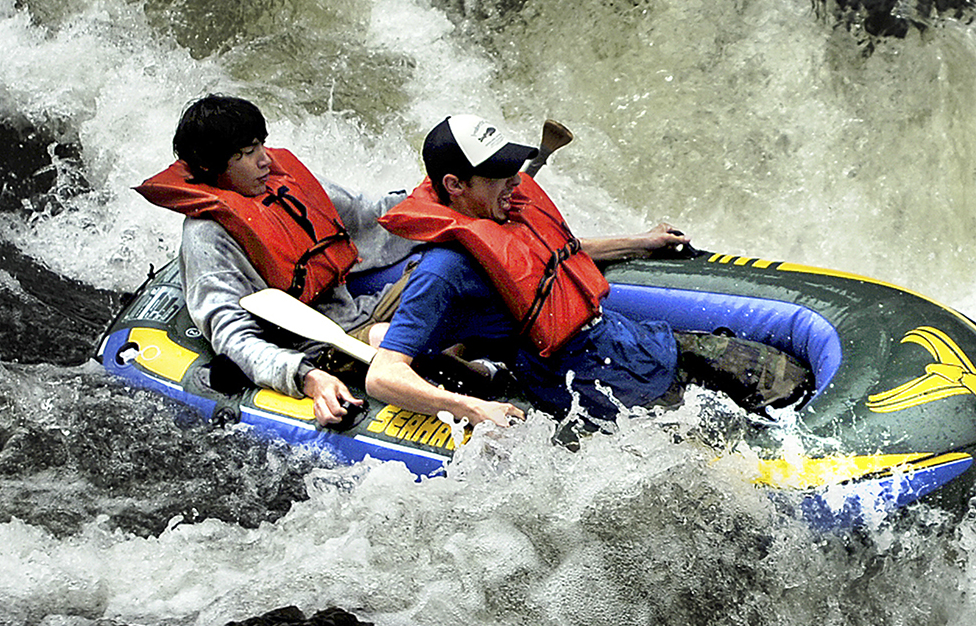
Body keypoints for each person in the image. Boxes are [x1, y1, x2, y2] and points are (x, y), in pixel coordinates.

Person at [364, 114, 811, 429]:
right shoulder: (441, 272)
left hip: (638, 348)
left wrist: (643, 241)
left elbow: (556, 256)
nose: (516, 182)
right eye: (499, 173)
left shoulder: (499, 216)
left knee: (788, 376)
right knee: (759, 427)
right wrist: (472, 409)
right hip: (601, 389)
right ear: (455, 185)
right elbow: (382, 375)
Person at [135, 95, 414, 427]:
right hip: (319, 345)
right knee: (394, 335)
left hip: (360, 309)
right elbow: (231, 334)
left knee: (449, 273)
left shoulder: (281, 185)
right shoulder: (207, 238)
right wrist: (306, 377)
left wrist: (450, 209)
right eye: (249, 153)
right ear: (211, 166)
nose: (265, 160)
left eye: (260, 146)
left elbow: (372, 217)